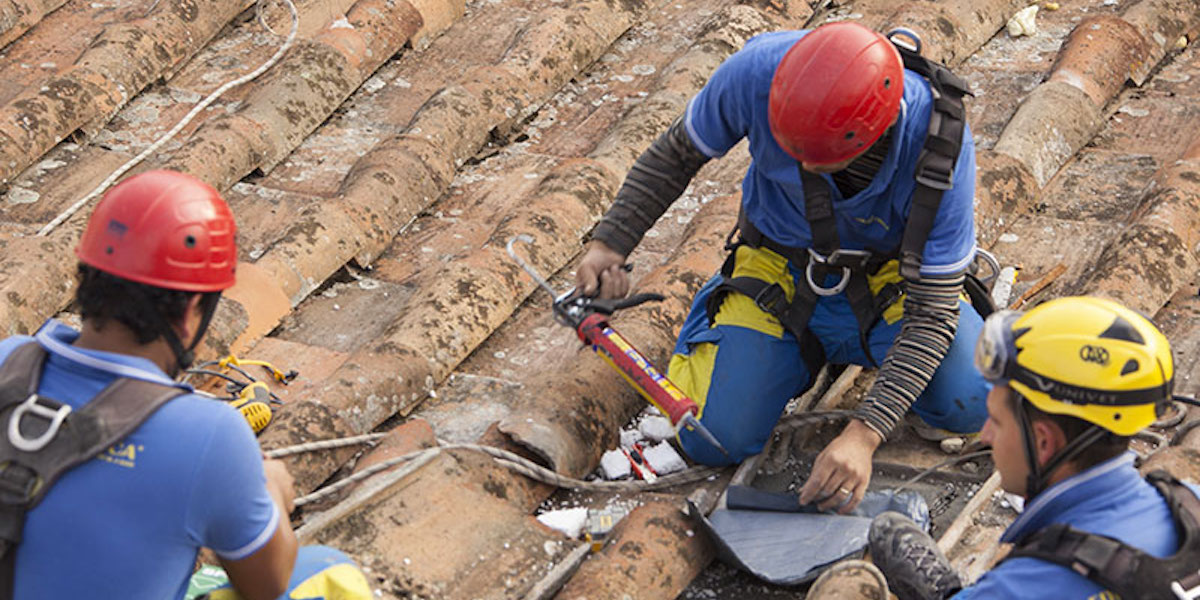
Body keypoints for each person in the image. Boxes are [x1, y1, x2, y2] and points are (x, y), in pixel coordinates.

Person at [575, 21, 989, 512]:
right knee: (713, 437)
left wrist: (864, 434)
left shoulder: (940, 144)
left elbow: (932, 314)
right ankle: (747, 336)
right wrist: (610, 241)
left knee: (972, 401)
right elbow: (677, 154)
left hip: (890, 282)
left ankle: (834, 349)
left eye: (819, 161)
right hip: (779, 272)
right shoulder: (758, 70)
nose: (803, 169)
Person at [0, 170, 371, 599]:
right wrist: (271, 487)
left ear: (88, 277)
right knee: (329, 571)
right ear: (194, 307)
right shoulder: (211, 436)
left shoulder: (10, 360)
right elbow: (267, 586)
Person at [863, 296, 1200, 599]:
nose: (985, 436)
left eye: (996, 420)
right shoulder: (1191, 502)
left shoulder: (1022, 586)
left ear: (1042, 442)